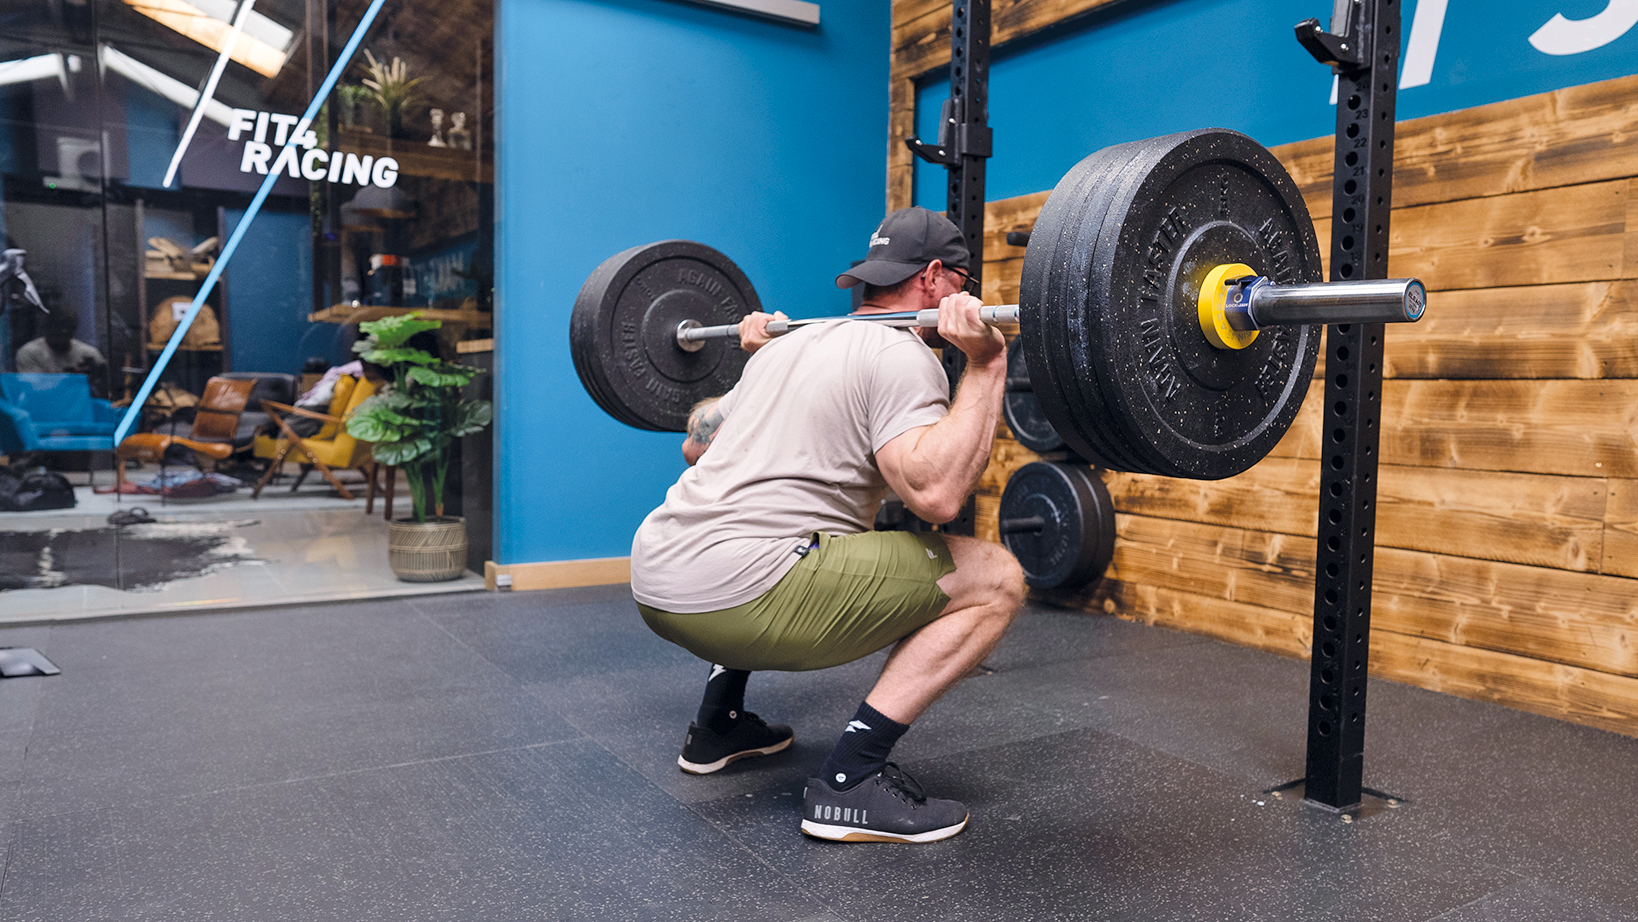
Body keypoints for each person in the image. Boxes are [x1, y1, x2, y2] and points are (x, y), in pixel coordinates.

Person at [630, 207, 1026, 844]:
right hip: (741, 594)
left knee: (816, 530)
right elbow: (937, 494)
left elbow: (697, 443)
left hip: (656, 577)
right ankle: (850, 783)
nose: (968, 295)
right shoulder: (900, 355)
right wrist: (986, 365)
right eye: (963, 280)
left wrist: (750, 360)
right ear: (933, 279)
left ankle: (718, 726)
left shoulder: (786, 348)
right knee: (997, 579)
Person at [15, 307, 106, 380]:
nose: (61, 336)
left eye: (66, 331)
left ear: (74, 330)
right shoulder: (29, 353)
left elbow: (104, 387)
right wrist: (72, 378)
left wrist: (95, 375)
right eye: (57, 330)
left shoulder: (89, 353)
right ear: (46, 329)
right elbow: (34, 388)